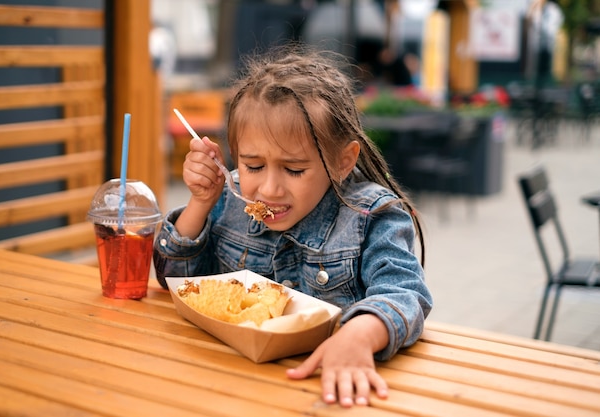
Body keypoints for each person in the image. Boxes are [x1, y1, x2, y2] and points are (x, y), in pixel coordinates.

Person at [153, 45, 433, 408]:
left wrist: (359, 336)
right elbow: (177, 281)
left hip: (325, 388)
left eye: (295, 170)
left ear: (343, 161)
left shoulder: (371, 217)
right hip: (229, 386)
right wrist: (201, 202)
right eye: (253, 166)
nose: (269, 189)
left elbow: (405, 294)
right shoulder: (229, 199)